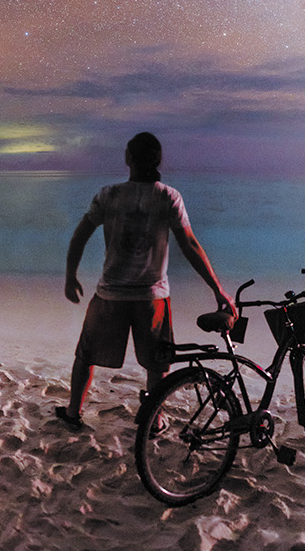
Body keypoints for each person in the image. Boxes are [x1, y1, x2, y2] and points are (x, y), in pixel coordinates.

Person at [55, 132, 236, 430]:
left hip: (111, 294)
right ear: (157, 161)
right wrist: (217, 289)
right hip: (153, 297)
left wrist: (70, 275)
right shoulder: (168, 196)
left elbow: (80, 234)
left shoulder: (109, 195)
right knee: (157, 362)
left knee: (85, 356)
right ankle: (155, 419)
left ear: (128, 158)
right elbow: (190, 245)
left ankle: (73, 413)